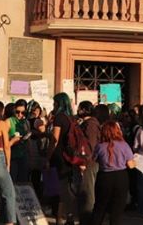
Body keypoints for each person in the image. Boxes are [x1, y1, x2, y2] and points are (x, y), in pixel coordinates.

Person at [90, 120, 135, 225]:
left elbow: (94, 160)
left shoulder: (100, 146)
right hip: (121, 177)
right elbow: (131, 165)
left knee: (99, 208)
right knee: (117, 211)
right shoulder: (124, 145)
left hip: (104, 177)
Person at [47, 92, 79, 225]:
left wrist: (47, 157)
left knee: (56, 189)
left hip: (58, 156)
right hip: (68, 156)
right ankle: (68, 215)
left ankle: (60, 218)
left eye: (55, 102)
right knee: (65, 187)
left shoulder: (59, 117)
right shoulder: (71, 117)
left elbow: (55, 139)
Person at [78, 101, 101, 224]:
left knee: (88, 191)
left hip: (89, 162)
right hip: (88, 161)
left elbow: (90, 146)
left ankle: (88, 218)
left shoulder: (90, 124)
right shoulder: (87, 123)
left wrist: (84, 162)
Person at [8, 99, 30, 184]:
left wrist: (30, 156)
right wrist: (12, 140)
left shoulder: (26, 122)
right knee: (12, 182)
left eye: (23, 112)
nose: (20, 115)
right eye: (17, 112)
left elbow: (28, 141)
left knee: (23, 182)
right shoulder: (9, 121)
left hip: (23, 156)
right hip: (12, 156)